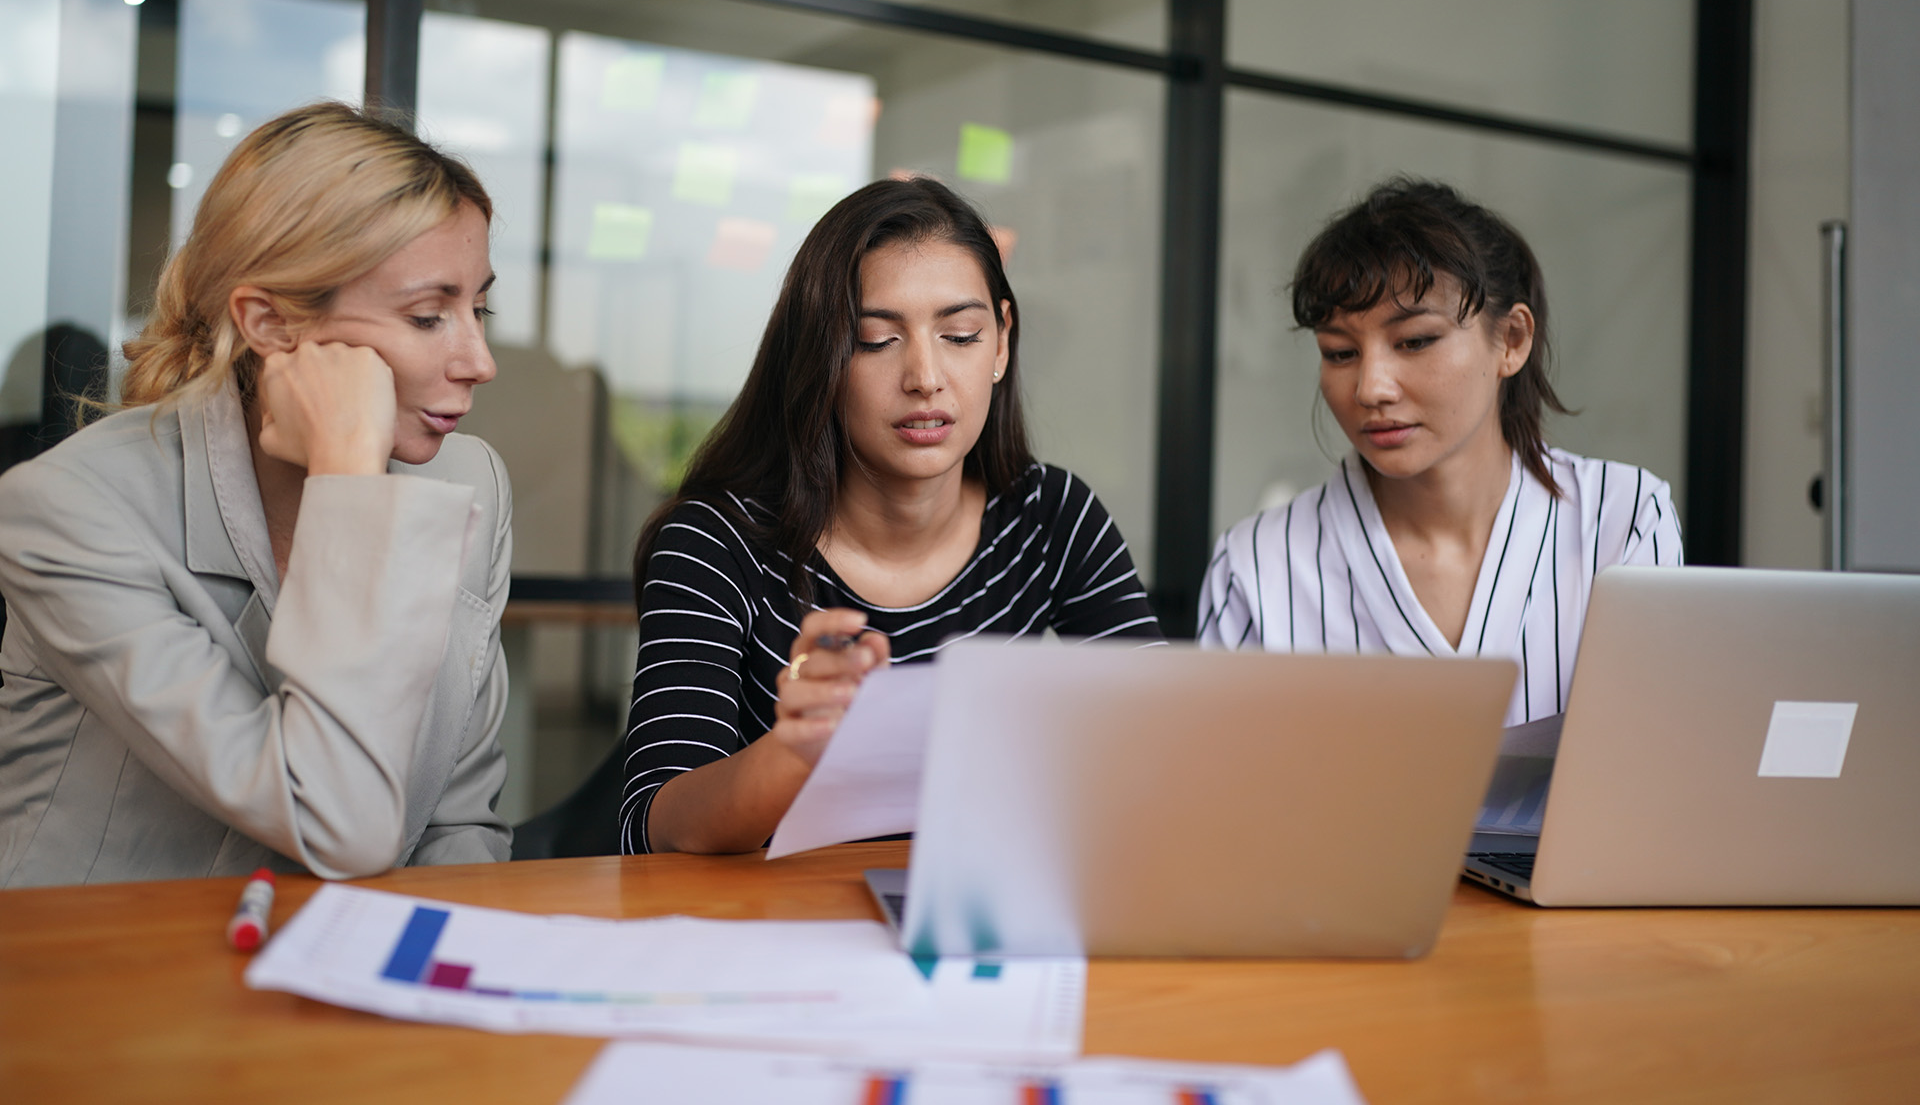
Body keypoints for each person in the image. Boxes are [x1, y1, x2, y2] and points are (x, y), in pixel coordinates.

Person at [0, 102, 514, 886]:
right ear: (270, 324)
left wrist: (440, 977)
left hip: (351, 971)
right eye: (426, 315)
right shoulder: (69, 511)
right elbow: (334, 823)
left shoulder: (469, 478)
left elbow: (459, 818)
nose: (478, 360)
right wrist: (351, 478)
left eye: (478, 308)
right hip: (106, 979)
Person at [621, 177, 1163, 855]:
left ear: (1000, 343)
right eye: (878, 340)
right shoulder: (717, 542)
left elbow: (1162, 748)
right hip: (775, 935)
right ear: (820, 358)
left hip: (978, 923)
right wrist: (798, 750)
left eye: (960, 334)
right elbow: (654, 826)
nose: (925, 376)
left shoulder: (1051, 517)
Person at [1198, 178, 1682, 726]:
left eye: (1415, 341)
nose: (1371, 388)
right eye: (1339, 352)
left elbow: (1651, 769)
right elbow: (1231, 800)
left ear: (1513, 340)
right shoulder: (1259, 565)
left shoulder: (1622, 519)